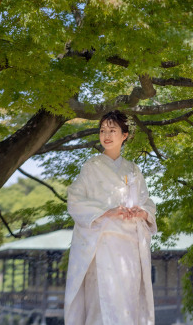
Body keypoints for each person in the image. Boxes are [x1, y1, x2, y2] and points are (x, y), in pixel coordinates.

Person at [64, 110, 157, 325]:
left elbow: (146, 201)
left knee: (128, 303)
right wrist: (107, 212)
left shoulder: (133, 169)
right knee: (101, 304)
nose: (106, 135)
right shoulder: (91, 167)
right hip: (102, 245)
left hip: (129, 249)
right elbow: (75, 199)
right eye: (103, 130)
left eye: (113, 130)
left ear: (125, 135)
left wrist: (142, 212)